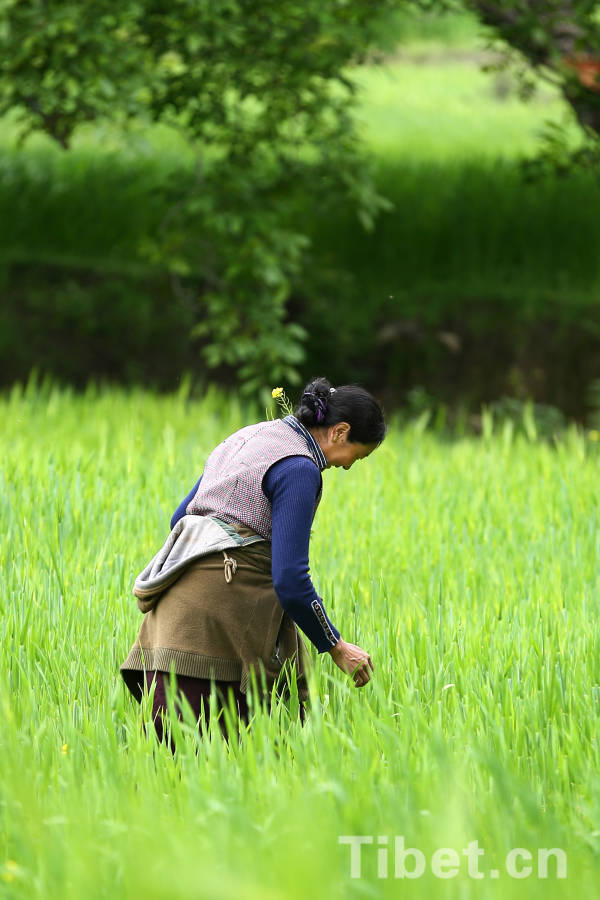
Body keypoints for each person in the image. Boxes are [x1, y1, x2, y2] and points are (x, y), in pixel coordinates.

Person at [120, 376, 386, 749]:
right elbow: (291, 580)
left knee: (171, 763)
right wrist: (336, 646)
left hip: (171, 619)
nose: (347, 467)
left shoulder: (250, 437)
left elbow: (181, 517)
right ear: (340, 432)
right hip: (218, 624)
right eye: (357, 456)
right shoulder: (300, 467)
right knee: (247, 752)